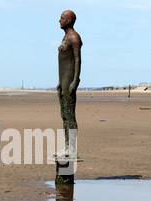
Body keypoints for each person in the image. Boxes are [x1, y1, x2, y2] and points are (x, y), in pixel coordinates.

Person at [54, 10, 82, 159]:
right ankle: (66, 147)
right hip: (63, 83)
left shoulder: (74, 37)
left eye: (62, 18)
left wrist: (75, 81)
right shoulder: (65, 38)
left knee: (70, 116)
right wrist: (60, 82)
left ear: (69, 20)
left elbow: (77, 60)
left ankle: (72, 149)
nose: (59, 20)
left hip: (70, 83)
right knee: (64, 115)